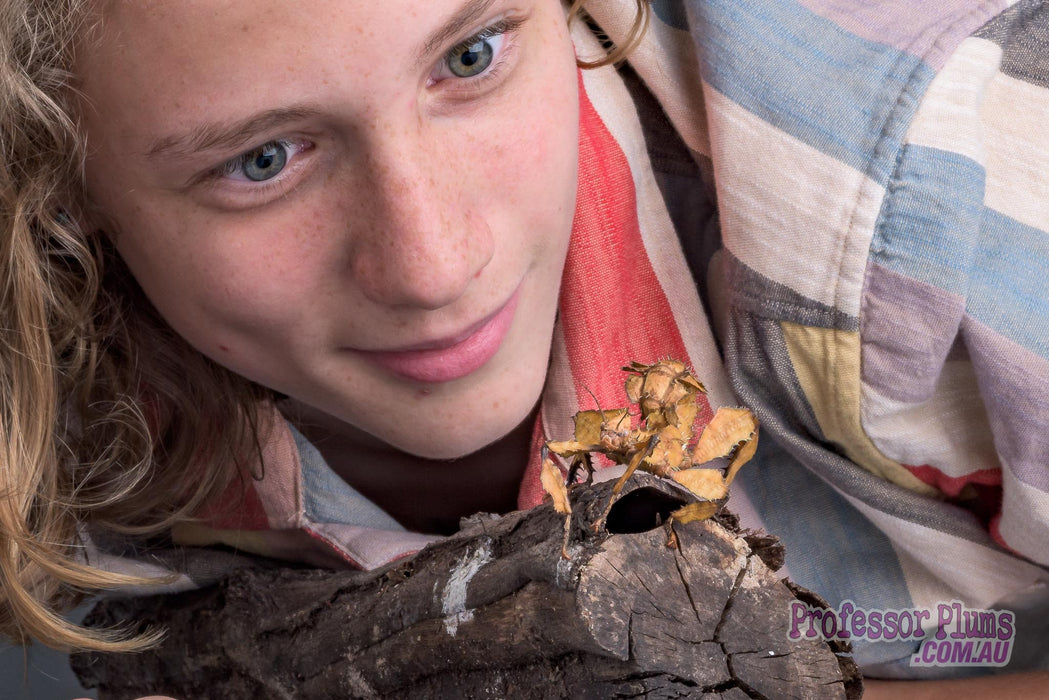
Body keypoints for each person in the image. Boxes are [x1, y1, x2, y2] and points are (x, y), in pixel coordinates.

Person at [0, 0, 1046, 695]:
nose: (434, 266)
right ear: (61, 194)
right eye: (263, 160)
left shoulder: (911, 197)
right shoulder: (68, 426)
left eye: (471, 57)